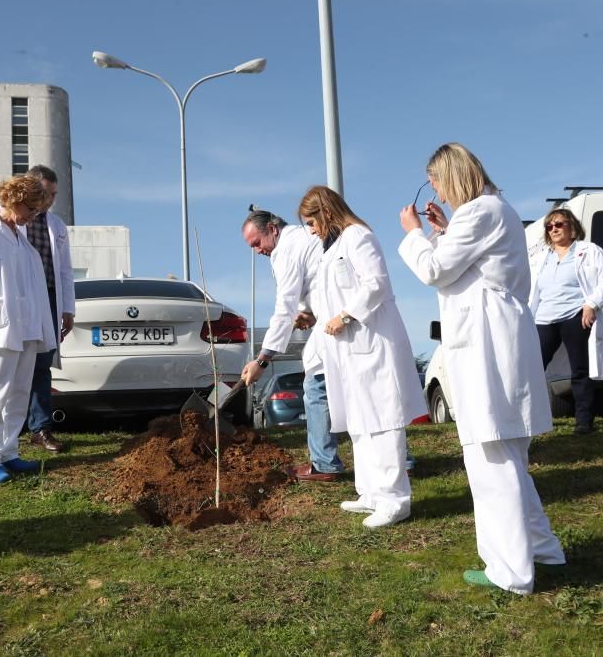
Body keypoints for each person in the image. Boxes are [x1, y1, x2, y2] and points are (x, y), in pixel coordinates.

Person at [397, 142, 565, 594]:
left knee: (491, 457)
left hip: (488, 343)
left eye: (435, 181)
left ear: (450, 177)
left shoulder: (481, 212)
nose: (435, 190)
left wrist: (414, 233)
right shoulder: (491, 211)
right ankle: (542, 548)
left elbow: (435, 270)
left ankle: (510, 572)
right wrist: (444, 231)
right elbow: (466, 265)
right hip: (498, 336)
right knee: (506, 453)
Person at [298, 185, 426, 529]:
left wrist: (346, 315)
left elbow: (377, 283)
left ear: (325, 212)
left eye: (311, 222)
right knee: (359, 422)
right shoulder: (331, 249)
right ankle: (370, 492)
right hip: (347, 349)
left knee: (381, 421)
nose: (310, 230)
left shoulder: (358, 236)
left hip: (371, 341)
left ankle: (395, 499)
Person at [0, 176, 58, 484]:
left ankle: (8, 452)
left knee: (18, 393)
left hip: (27, 327)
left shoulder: (21, 238)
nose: (33, 215)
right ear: (15, 200)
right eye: (31, 208)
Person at [239, 205, 344, 482]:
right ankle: (400, 460)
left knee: (316, 387)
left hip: (340, 320)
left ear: (272, 229)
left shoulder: (287, 249)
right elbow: (313, 284)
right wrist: (310, 313)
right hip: (335, 316)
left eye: (257, 243)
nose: (256, 250)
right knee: (354, 387)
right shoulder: (297, 242)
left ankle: (324, 464)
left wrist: (263, 360)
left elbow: (284, 306)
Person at [529, 208, 603, 435]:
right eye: (550, 226)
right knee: (532, 368)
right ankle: (532, 419)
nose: (554, 229)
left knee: (580, 369)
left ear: (572, 226)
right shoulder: (540, 258)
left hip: (575, 315)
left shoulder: (589, 251)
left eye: (559, 224)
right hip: (543, 318)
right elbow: (531, 290)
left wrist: (591, 304)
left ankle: (584, 422)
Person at [23, 165, 75, 453]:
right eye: (47, 193)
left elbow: (65, 271)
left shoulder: (56, 226)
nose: (51, 199)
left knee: (42, 364)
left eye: (55, 194)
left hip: (50, 298)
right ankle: (6, 429)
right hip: (21, 300)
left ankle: (40, 428)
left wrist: (67, 309)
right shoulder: (11, 222)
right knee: (17, 364)